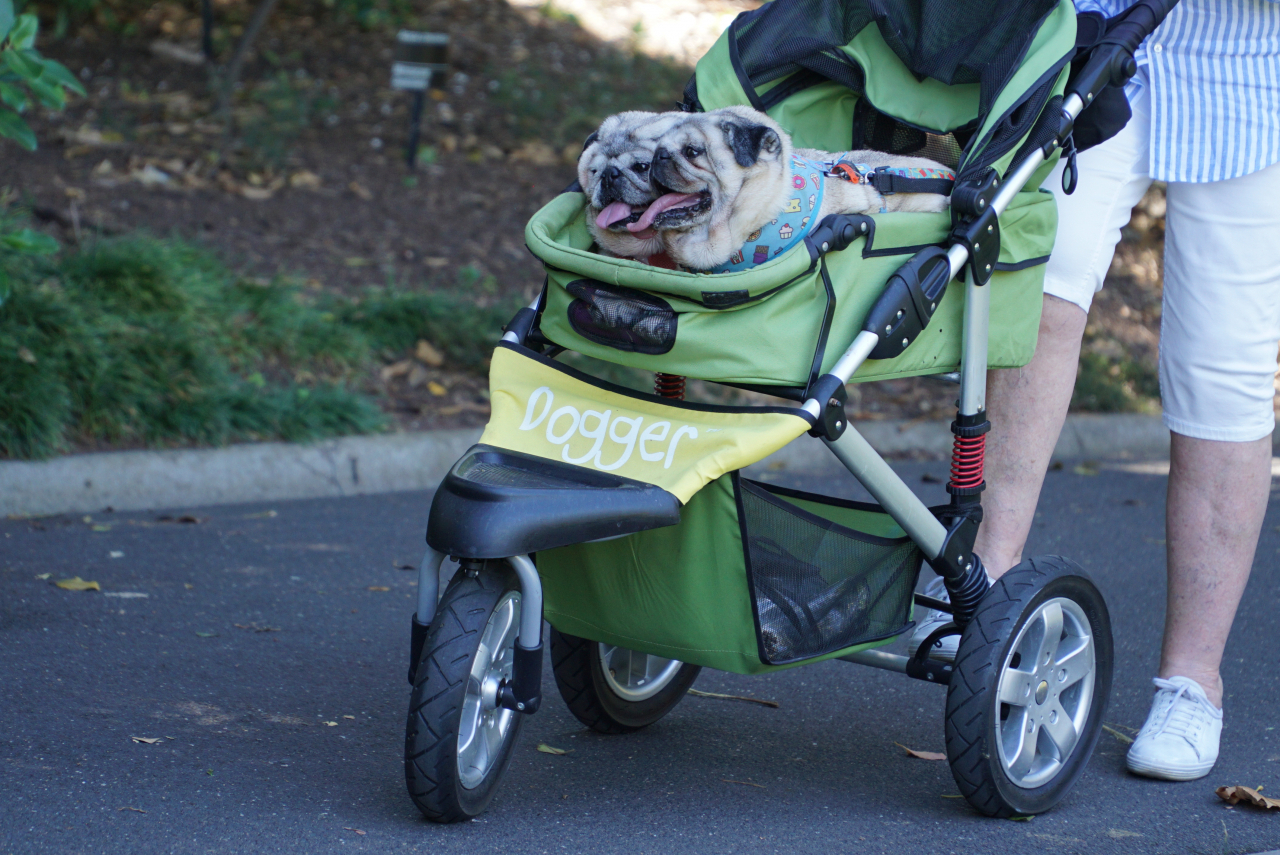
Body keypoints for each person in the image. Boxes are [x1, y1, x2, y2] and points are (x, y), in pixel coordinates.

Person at [911, 0, 1280, 781]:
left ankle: (1192, 685)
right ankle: (979, 587)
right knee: (1032, 300)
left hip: (1251, 70)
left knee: (1225, 370)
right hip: (1096, 35)